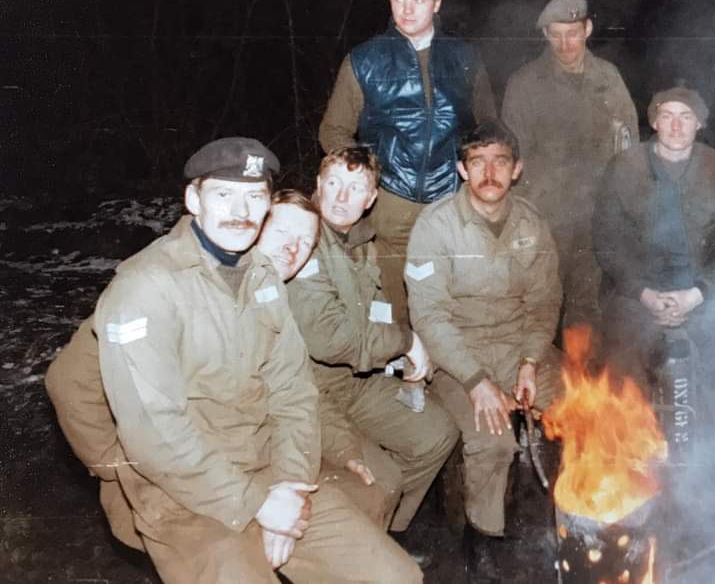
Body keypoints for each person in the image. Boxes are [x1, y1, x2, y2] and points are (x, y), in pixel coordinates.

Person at [87, 137, 421, 583]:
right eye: (223, 194)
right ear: (193, 199)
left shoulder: (262, 276)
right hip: (185, 495)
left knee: (397, 578)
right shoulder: (146, 288)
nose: (240, 211)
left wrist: (288, 488)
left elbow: (295, 391)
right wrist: (258, 505)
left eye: (254, 196)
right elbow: (156, 432)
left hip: (271, 472)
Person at [46, 190, 403, 541]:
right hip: (187, 470)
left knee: (372, 487)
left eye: (305, 242)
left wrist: (343, 449)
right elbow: (68, 381)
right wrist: (114, 465)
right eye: (280, 233)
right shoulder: (162, 289)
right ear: (254, 228)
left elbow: (297, 390)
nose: (292, 249)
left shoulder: (276, 289)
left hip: (255, 450)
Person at [406, 121, 563, 582]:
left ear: (517, 170)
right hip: (458, 354)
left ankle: (574, 517)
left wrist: (532, 360)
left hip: (520, 346)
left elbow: (544, 301)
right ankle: (482, 543)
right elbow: (429, 317)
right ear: (461, 169)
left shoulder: (532, 223)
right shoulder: (434, 226)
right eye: (477, 161)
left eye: (499, 161)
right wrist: (476, 382)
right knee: (492, 439)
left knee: (586, 407)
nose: (488, 172)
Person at [287, 145, 459, 546]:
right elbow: (329, 337)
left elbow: (377, 312)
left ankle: (388, 533)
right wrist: (405, 341)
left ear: (372, 199)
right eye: (334, 184)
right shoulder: (301, 239)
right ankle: (355, 544)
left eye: (356, 187)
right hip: (312, 391)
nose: (342, 197)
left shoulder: (362, 241)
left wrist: (402, 362)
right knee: (384, 479)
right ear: (318, 186)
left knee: (437, 432)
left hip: (358, 380)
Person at [319, 0, 497, 325]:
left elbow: (488, 129)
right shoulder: (364, 60)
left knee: (452, 295)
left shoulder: (465, 58)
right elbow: (333, 132)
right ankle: (400, 374)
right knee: (391, 301)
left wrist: (478, 180)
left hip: (451, 198)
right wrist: (370, 175)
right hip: (390, 203)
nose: (408, 8)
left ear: (436, 2)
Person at [592, 86, 715, 454]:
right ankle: (637, 451)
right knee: (620, 362)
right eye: (667, 116)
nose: (676, 126)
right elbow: (608, 242)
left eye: (686, 117)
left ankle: (714, 456)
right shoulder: (624, 168)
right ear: (654, 122)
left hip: (702, 293)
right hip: (639, 293)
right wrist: (644, 293)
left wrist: (698, 293)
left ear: (699, 123)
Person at [501, 0, 638, 327]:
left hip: (596, 218)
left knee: (586, 309)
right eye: (556, 34)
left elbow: (629, 148)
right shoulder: (525, 84)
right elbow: (509, 158)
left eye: (572, 33)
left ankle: (580, 376)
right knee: (536, 308)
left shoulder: (608, 78)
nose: (565, 44)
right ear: (546, 35)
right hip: (544, 218)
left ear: (588, 28)